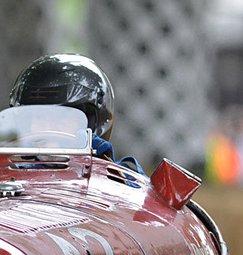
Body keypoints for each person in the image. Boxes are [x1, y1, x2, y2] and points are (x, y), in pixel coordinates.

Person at [7, 53, 144, 174]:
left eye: (62, 118)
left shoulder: (123, 179)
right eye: (39, 117)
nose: (49, 127)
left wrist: (106, 167)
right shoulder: (10, 176)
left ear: (92, 123)